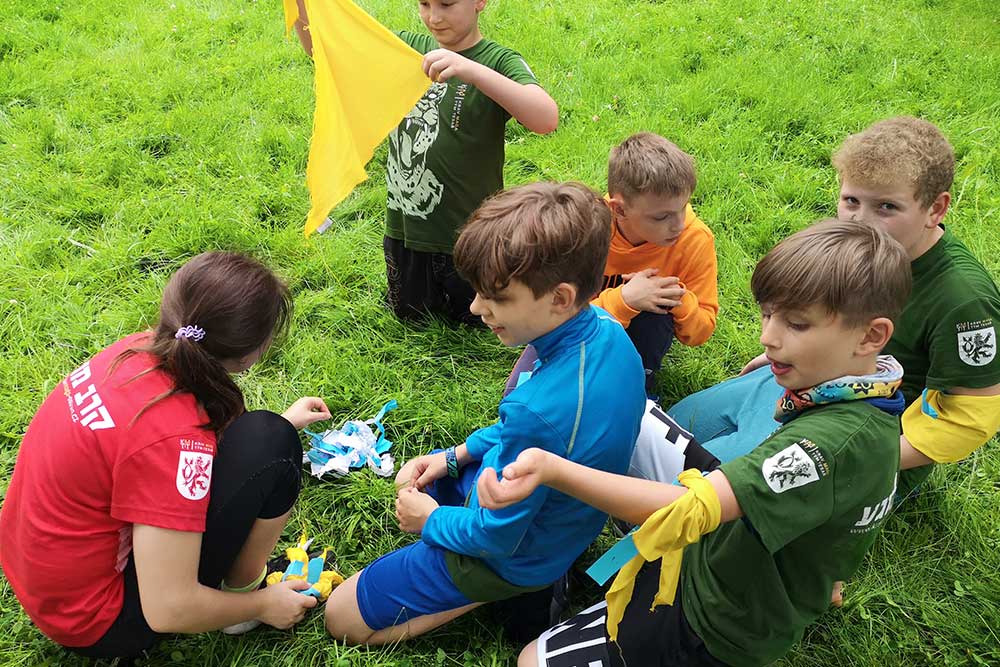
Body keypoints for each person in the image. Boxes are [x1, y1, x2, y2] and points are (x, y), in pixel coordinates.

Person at [478, 219, 913, 667]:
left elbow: (689, 509)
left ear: (870, 336)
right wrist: (828, 570)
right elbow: (843, 514)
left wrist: (555, 471)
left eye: (797, 325)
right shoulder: (859, 389)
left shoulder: (829, 445)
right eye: (768, 315)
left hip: (714, 617)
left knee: (531, 660)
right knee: (633, 419)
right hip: (728, 546)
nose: (767, 337)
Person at [321, 182, 646, 645]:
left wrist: (430, 521)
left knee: (342, 617)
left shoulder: (539, 410)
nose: (476, 308)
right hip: (567, 519)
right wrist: (455, 456)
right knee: (424, 480)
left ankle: (510, 589)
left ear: (559, 298)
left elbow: (496, 537)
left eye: (497, 298)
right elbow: (534, 432)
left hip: (518, 554)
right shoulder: (609, 329)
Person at [0, 252, 332, 659]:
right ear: (249, 355)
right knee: (274, 443)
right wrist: (262, 605)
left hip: (44, 583)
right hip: (99, 622)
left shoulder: (139, 349)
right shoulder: (173, 437)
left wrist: (273, 428)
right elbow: (168, 608)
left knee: (267, 434)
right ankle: (242, 591)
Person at [662, 117, 1000, 499]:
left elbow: (969, 418)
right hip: (812, 378)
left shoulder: (964, 299)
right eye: (851, 201)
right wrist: (786, 352)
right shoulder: (850, 248)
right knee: (676, 426)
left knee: (700, 489)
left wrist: (870, 456)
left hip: (859, 435)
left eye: (887, 206)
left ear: (935, 208)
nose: (862, 220)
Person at [294, 0, 558, 324]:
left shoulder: (497, 61)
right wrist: (302, 5)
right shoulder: (406, 48)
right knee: (409, 316)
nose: (434, 17)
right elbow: (325, 49)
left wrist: (472, 71)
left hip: (471, 235)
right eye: (424, 4)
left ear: (480, 2)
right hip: (407, 229)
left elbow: (545, 118)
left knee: (477, 320)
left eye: (446, 4)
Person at [505, 133, 718, 395]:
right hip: (571, 328)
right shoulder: (584, 228)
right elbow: (549, 309)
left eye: (683, 208)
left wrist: (676, 298)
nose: (678, 225)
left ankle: (637, 387)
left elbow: (701, 330)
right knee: (517, 395)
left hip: (637, 336)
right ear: (619, 210)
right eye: (661, 217)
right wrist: (624, 299)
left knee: (655, 317)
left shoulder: (695, 239)